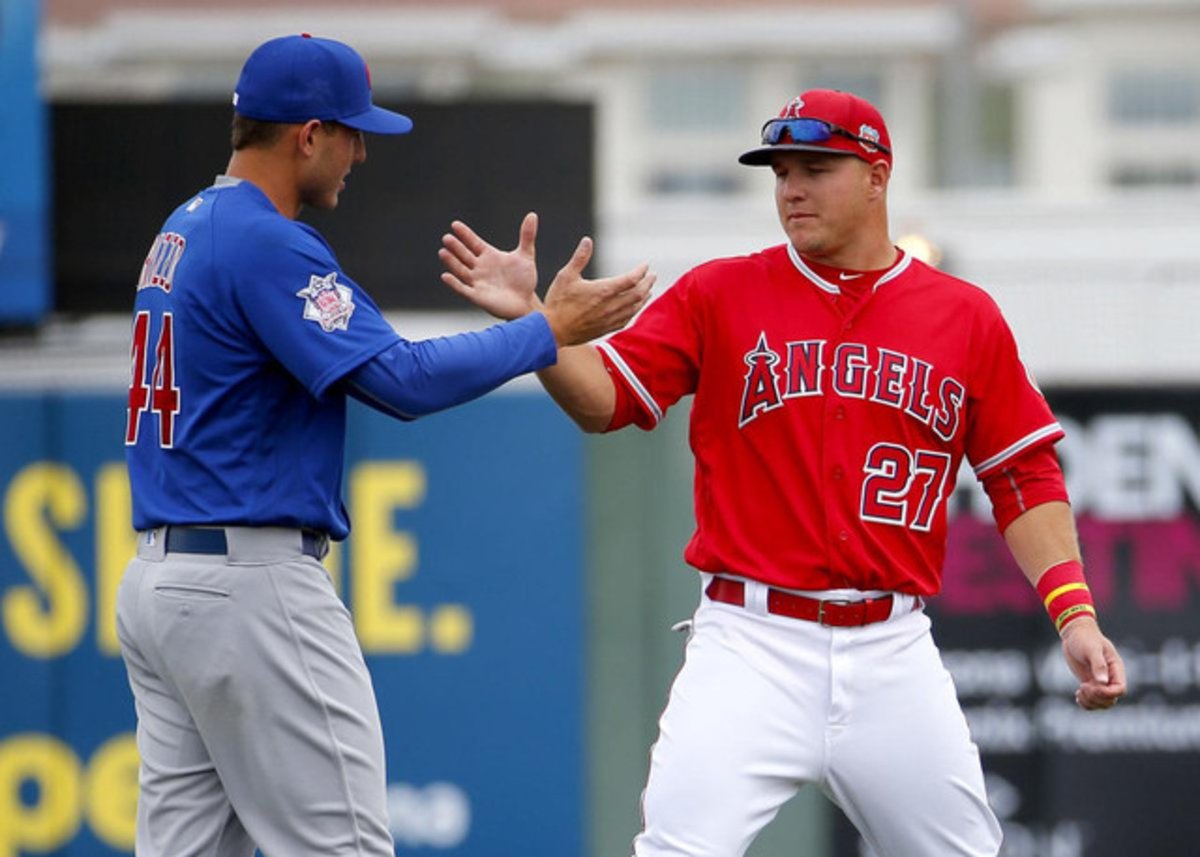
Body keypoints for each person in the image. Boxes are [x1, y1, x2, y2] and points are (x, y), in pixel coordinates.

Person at [440, 89, 1127, 857]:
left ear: (877, 175)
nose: (792, 188)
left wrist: (1076, 615)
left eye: (816, 167)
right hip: (750, 642)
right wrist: (536, 329)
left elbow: (1021, 475)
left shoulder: (964, 316)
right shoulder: (721, 292)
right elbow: (604, 402)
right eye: (781, 172)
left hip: (890, 648)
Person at [116, 33, 653, 857]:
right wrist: (545, 331)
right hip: (247, 585)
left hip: (161, 579)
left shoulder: (183, 225)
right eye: (351, 131)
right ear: (307, 135)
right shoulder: (265, 238)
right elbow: (400, 380)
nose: (361, 151)